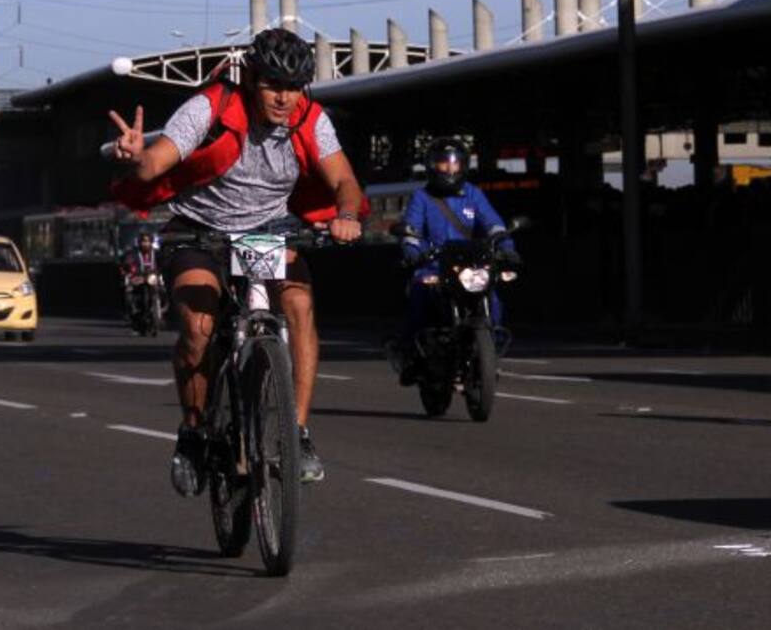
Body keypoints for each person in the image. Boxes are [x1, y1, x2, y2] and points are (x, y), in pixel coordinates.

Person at [108, 27, 364, 494]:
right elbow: (155, 163)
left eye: (293, 87)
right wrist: (136, 156)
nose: (283, 98)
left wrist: (346, 215)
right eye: (272, 85)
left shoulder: (312, 118)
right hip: (199, 231)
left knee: (300, 307)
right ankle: (192, 435)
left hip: (269, 231)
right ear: (250, 78)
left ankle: (299, 434)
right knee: (199, 329)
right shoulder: (211, 106)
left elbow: (344, 180)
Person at [391, 137, 515, 385]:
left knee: (493, 298)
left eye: (455, 164)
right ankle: (408, 354)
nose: (449, 169)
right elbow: (411, 228)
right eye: (443, 164)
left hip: (470, 267)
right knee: (419, 296)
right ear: (431, 166)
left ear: (464, 166)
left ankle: (490, 351)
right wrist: (412, 249)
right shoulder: (422, 197)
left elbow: (493, 224)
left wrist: (506, 247)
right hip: (433, 265)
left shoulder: (473, 194)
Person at [119, 231, 160, 328]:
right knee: (128, 293)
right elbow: (127, 262)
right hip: (138, 277)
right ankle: (132, 311)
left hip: (152, 277)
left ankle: (162, 309)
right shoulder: (133, 253)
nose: (145, 243)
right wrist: (129, 269)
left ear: (151, 242)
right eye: (143, 241)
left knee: (165, 288)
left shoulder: (157, 253)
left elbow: (164, 262)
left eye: (147, 241)